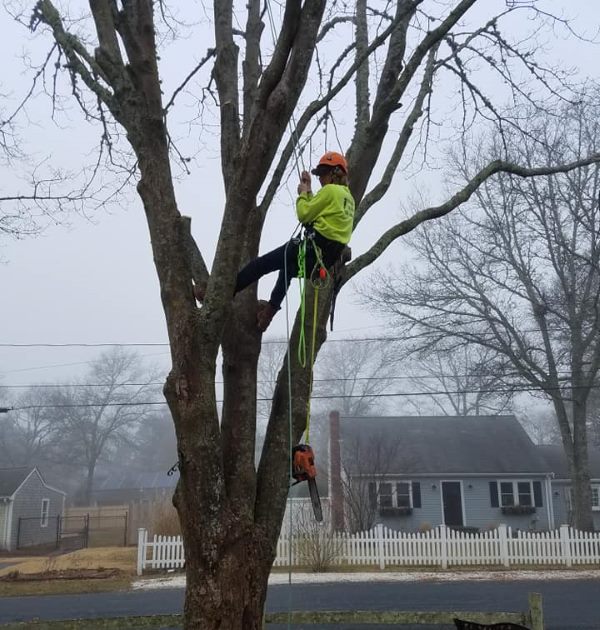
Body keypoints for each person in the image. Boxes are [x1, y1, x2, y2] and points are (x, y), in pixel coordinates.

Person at [195, 151, 355, 332]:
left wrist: (303, 194)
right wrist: (308, 191)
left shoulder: (330, 191)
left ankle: (217, 296)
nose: (321, 179)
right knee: (289, 268)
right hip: (322, 263)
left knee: (262, 264)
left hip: (311, 249)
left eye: (323, 174)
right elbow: (318, 215)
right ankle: (268, 314)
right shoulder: (348, 199)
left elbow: (304, 215)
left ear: (335, 172)